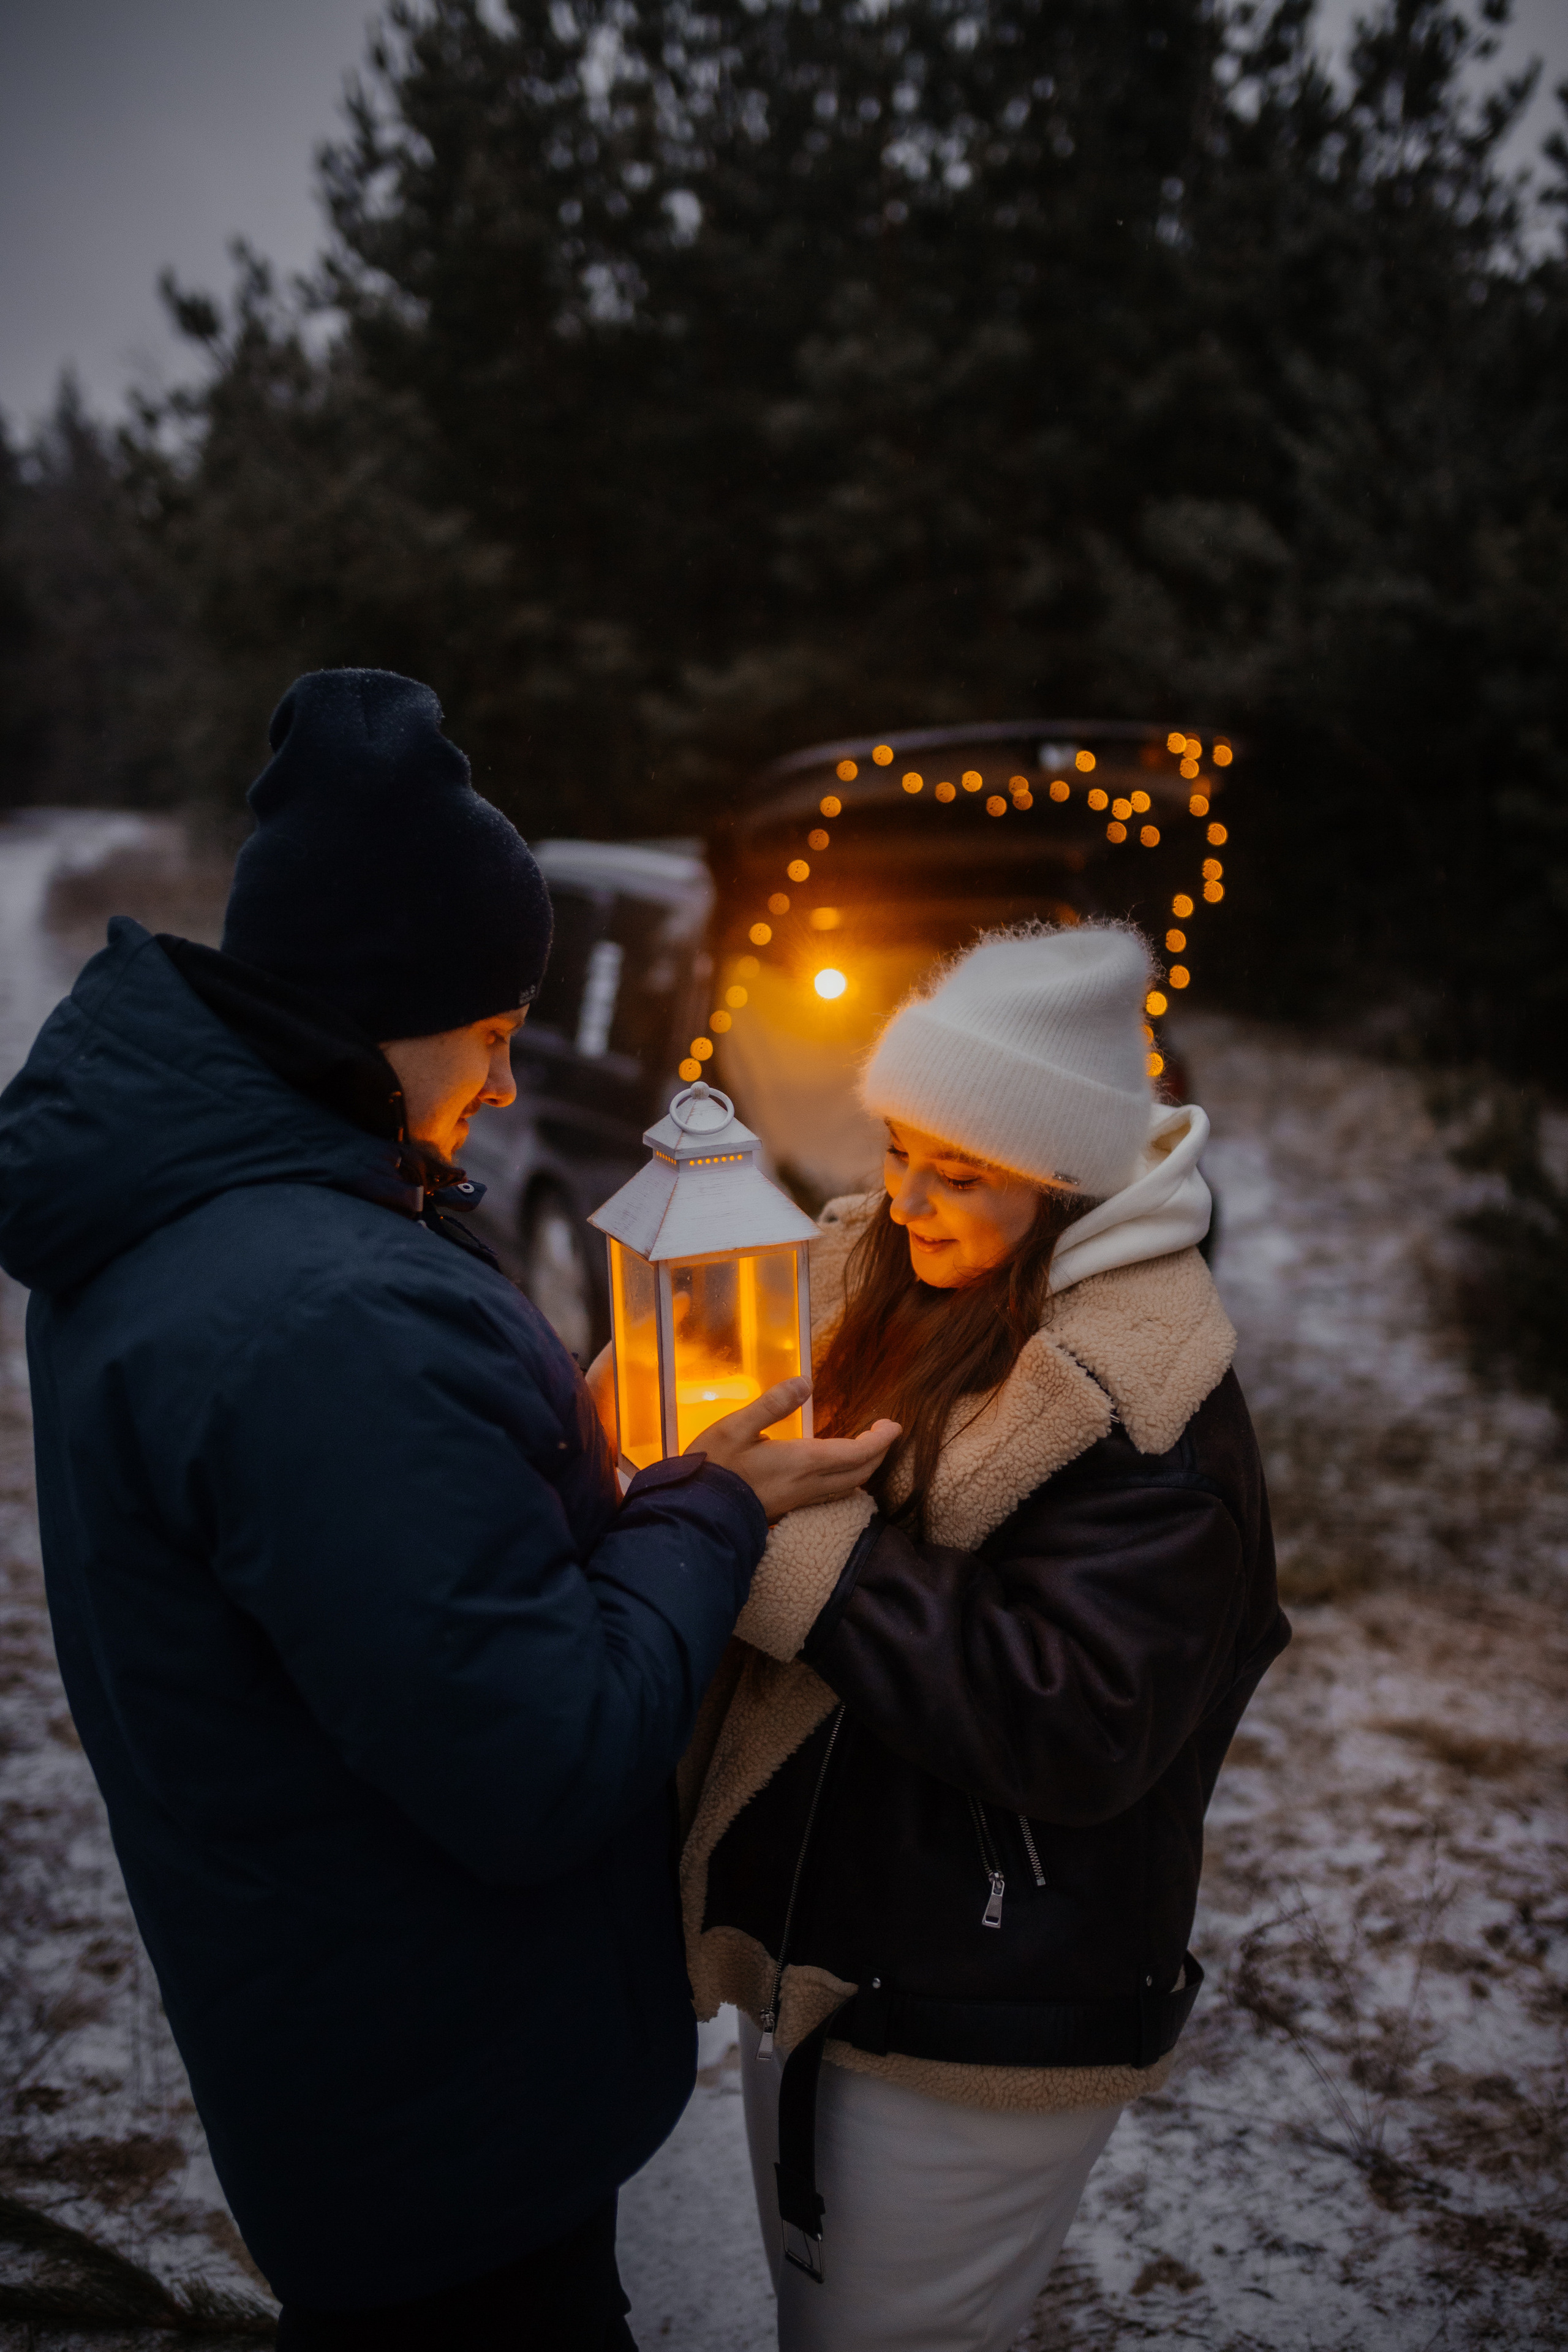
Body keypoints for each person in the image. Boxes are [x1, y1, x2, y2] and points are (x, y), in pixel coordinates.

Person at [0, 668, 895, 2350]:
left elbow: (385, 1563)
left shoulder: (218, 1211)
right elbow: (542, 1751)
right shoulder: (316, 1313)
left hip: (357, 2060)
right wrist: (710, 1508)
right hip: (438, 2122)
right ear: (385, 1001)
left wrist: (555, 1445)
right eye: (490, 1031)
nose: (500, 1083)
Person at [678, 924, 1289, 2352]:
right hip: (837, 1958)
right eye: (899, 1151)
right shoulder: (909, 1288)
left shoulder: (1142, 1404)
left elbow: (1070, 1718)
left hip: (988, 1995)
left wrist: (798, 1555)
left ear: (1064, 1183)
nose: (905, 1201)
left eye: (961, 1175)